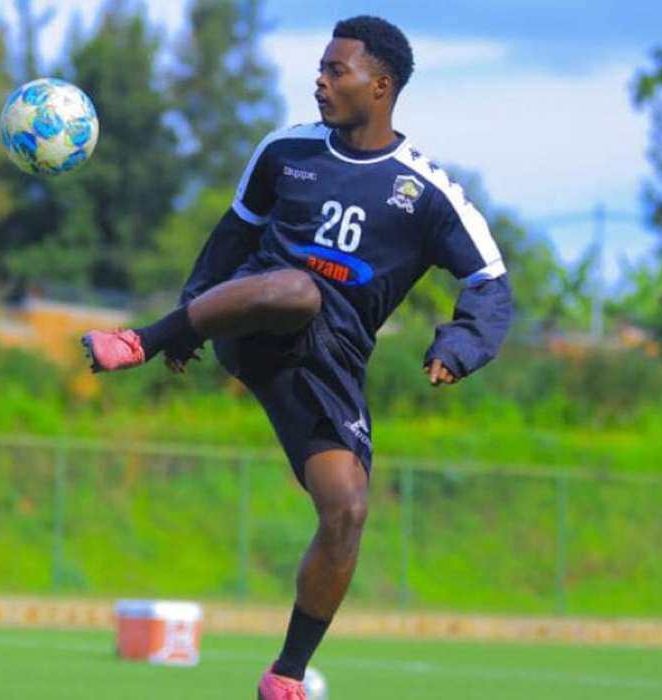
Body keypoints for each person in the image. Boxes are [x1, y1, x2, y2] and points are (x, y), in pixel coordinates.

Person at [82, 15, 513, 699]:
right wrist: (189, 320)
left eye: (334, 70)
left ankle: (283, 675)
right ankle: (140, 339)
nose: (318, 79)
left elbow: (489, 282)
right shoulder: (285, 152)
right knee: (298, 286)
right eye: (319, 66)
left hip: (330, 364)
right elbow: (231, 238)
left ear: (380, 84)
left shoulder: (425, 193)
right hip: (258, 324)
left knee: (346, 512)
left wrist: (458, 348)